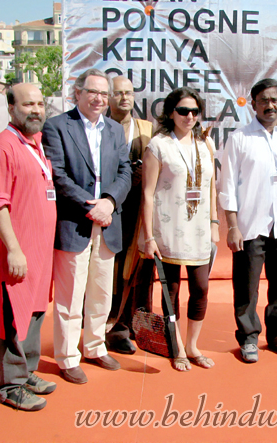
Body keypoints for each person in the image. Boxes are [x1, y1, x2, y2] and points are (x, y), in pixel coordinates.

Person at [43, 69, 131, 384]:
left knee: (100, 292)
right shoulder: (56, 127)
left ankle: (95, 346)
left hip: (108, 222)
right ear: (77, 93)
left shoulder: (115, 130)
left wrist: (109, 202)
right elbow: (58, 176)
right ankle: (67, 356)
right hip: (75, 224)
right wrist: (91, 208)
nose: (99, 99)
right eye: (92, 92)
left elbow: (125, 172)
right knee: (70, 295)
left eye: (104, 94)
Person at [219, 78, 277, 363]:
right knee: (246, 285)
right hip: (251, 225)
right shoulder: (239, 138)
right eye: (263, 100)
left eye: (275, 100)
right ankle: (248, 337)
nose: (269, 105)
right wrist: (233, 225)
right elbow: (228, 185)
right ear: (253, 104)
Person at [0, 83, 57, 411]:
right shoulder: (3, 148)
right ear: (11, 108)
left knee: (34, 314)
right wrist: (13, 248)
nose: (36, 110)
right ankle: (10, 385)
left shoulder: (35, 144)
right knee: (13, 316)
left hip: (39, 254)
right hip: (16, 254)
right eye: (28, 105)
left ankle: (27, 373)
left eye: (40, 104)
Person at [142, 86, 219, 372]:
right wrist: (148, 236)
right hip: (168, 229)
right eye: (183, 111)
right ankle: (176, 349)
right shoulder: (158, 145)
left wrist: (214, 222)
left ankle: (193, 346)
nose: (189, 116)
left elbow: (211, 187)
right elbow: (147, 194)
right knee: (170, 292)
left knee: (200, 288)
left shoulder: (206, 145)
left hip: (199, 230)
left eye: (194, 111)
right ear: (171, 112)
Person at [105, 75, 154, 355]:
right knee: (110, 274)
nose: (125, 98)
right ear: (109, 97)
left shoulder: (146, 128)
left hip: (139, 214)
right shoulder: (100, 129)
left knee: (140, 273)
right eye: (119, 93)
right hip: (108, 213)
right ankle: (111, 329)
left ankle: (137, 325)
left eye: (129, 93)